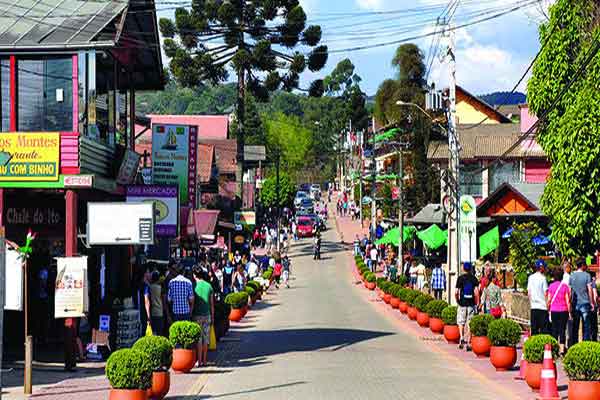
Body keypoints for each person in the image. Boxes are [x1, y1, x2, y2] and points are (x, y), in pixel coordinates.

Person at [569, 257, 595, 345]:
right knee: (586, 326)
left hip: (575, 303)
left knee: (575, 326)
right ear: (583, 265)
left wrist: (570, 303)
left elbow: (570, 291)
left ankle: (574, 344)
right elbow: (590, 289)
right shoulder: (587, 275)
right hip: (585, 303)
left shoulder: (572, 276)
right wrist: (592, 303)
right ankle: (585, 345)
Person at [192, 267, 214, 368]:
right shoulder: (209, 286)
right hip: (207, 314)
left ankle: (199, 361)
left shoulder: (194, 286)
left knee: (199, 339)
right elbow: (211, 304)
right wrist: (212, 316)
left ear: (194, 275)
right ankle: (205, 360)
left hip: (197, 314)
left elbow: (192, 301)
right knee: (206, 339)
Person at [455, 262, 479, 351]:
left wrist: (457, 300)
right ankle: (469, 342)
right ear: (471, 269)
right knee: (470, 322)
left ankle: (461, 338)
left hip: (462, 303)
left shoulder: (460, 278)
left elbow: (456, 292)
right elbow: (476, 293)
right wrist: (477, 303)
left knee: (461, 322)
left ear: (463, 269)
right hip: (471, 304)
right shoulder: (474, 279)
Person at [547, 268, 571, 355]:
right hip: (563, 311)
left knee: (554, 329)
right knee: (562, 330)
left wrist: (548, 309)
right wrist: (570, 312)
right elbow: (567, 300)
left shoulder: (551, 286)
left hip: (554, 310)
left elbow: (549, 300)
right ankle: (561, 350)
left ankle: (554, 349)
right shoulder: (565, 286)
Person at [528, 259, 549, 335]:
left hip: (534, 307)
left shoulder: (530, 277)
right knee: (544, 331)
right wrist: (548, 306)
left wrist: (531, 303)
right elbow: (546, 293)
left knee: (534, 330)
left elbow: (529, 293)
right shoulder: (543, 278)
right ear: (541, 268)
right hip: (542, 307)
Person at [149, 271, 165, 335]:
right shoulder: (160, 288)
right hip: (159, 311)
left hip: (152, 311)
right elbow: (163, 299)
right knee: (159, 331)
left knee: (154, 331)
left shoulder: (150, 287)